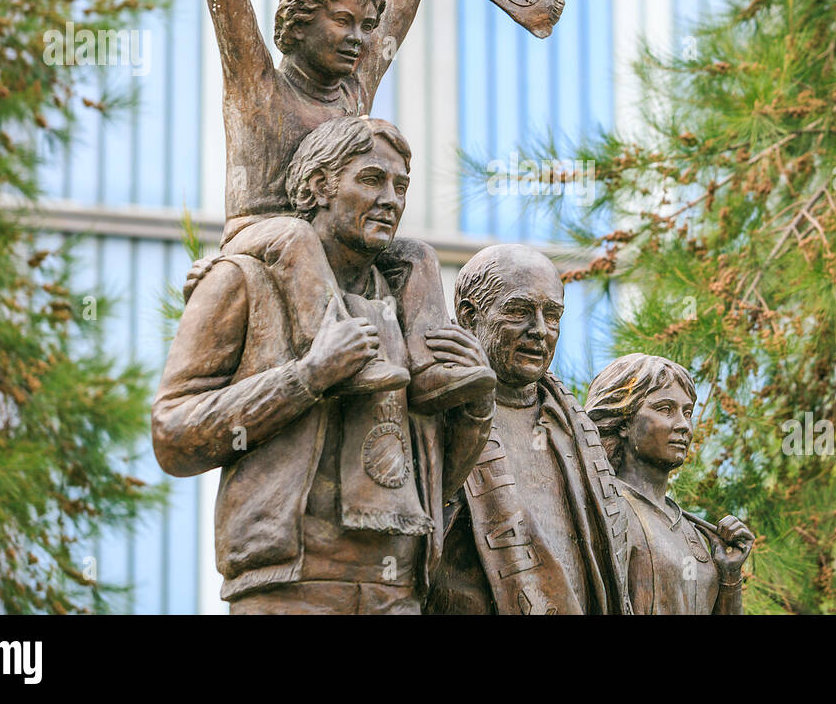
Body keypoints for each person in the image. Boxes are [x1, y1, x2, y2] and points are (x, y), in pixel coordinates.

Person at [154, 116, 493, 613]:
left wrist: (476, 408)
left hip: (397, 590)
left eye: (401, 187)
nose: (391, 200)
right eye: (372, 180)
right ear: (319, 187)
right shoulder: (242, 282)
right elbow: (173, 436)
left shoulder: (410, 308)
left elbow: (440, 483)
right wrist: (306, 378)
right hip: (289, 585)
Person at [194, 0, 492, 414]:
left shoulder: (354, 91)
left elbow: (400, 12)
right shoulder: (256, 84)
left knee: (418, 254)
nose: (359, 37)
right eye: (342, 21)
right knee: (295, 235)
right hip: (260, 233)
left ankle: (429, 363)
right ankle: (335, 348)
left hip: (334, 244)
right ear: (298, 21)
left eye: (364, 25)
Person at [423, 244, 632, 615]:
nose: (540, 331)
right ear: (469, 316)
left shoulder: (571, 424)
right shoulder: (433, 411)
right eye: (519, 312)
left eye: (552, 316)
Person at [584, 353, 756, 614]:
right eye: (665, 409)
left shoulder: (695, 532)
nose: (684, 425)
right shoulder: (602, 511)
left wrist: (729, 574)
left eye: (688, 412)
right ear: (624, 421)